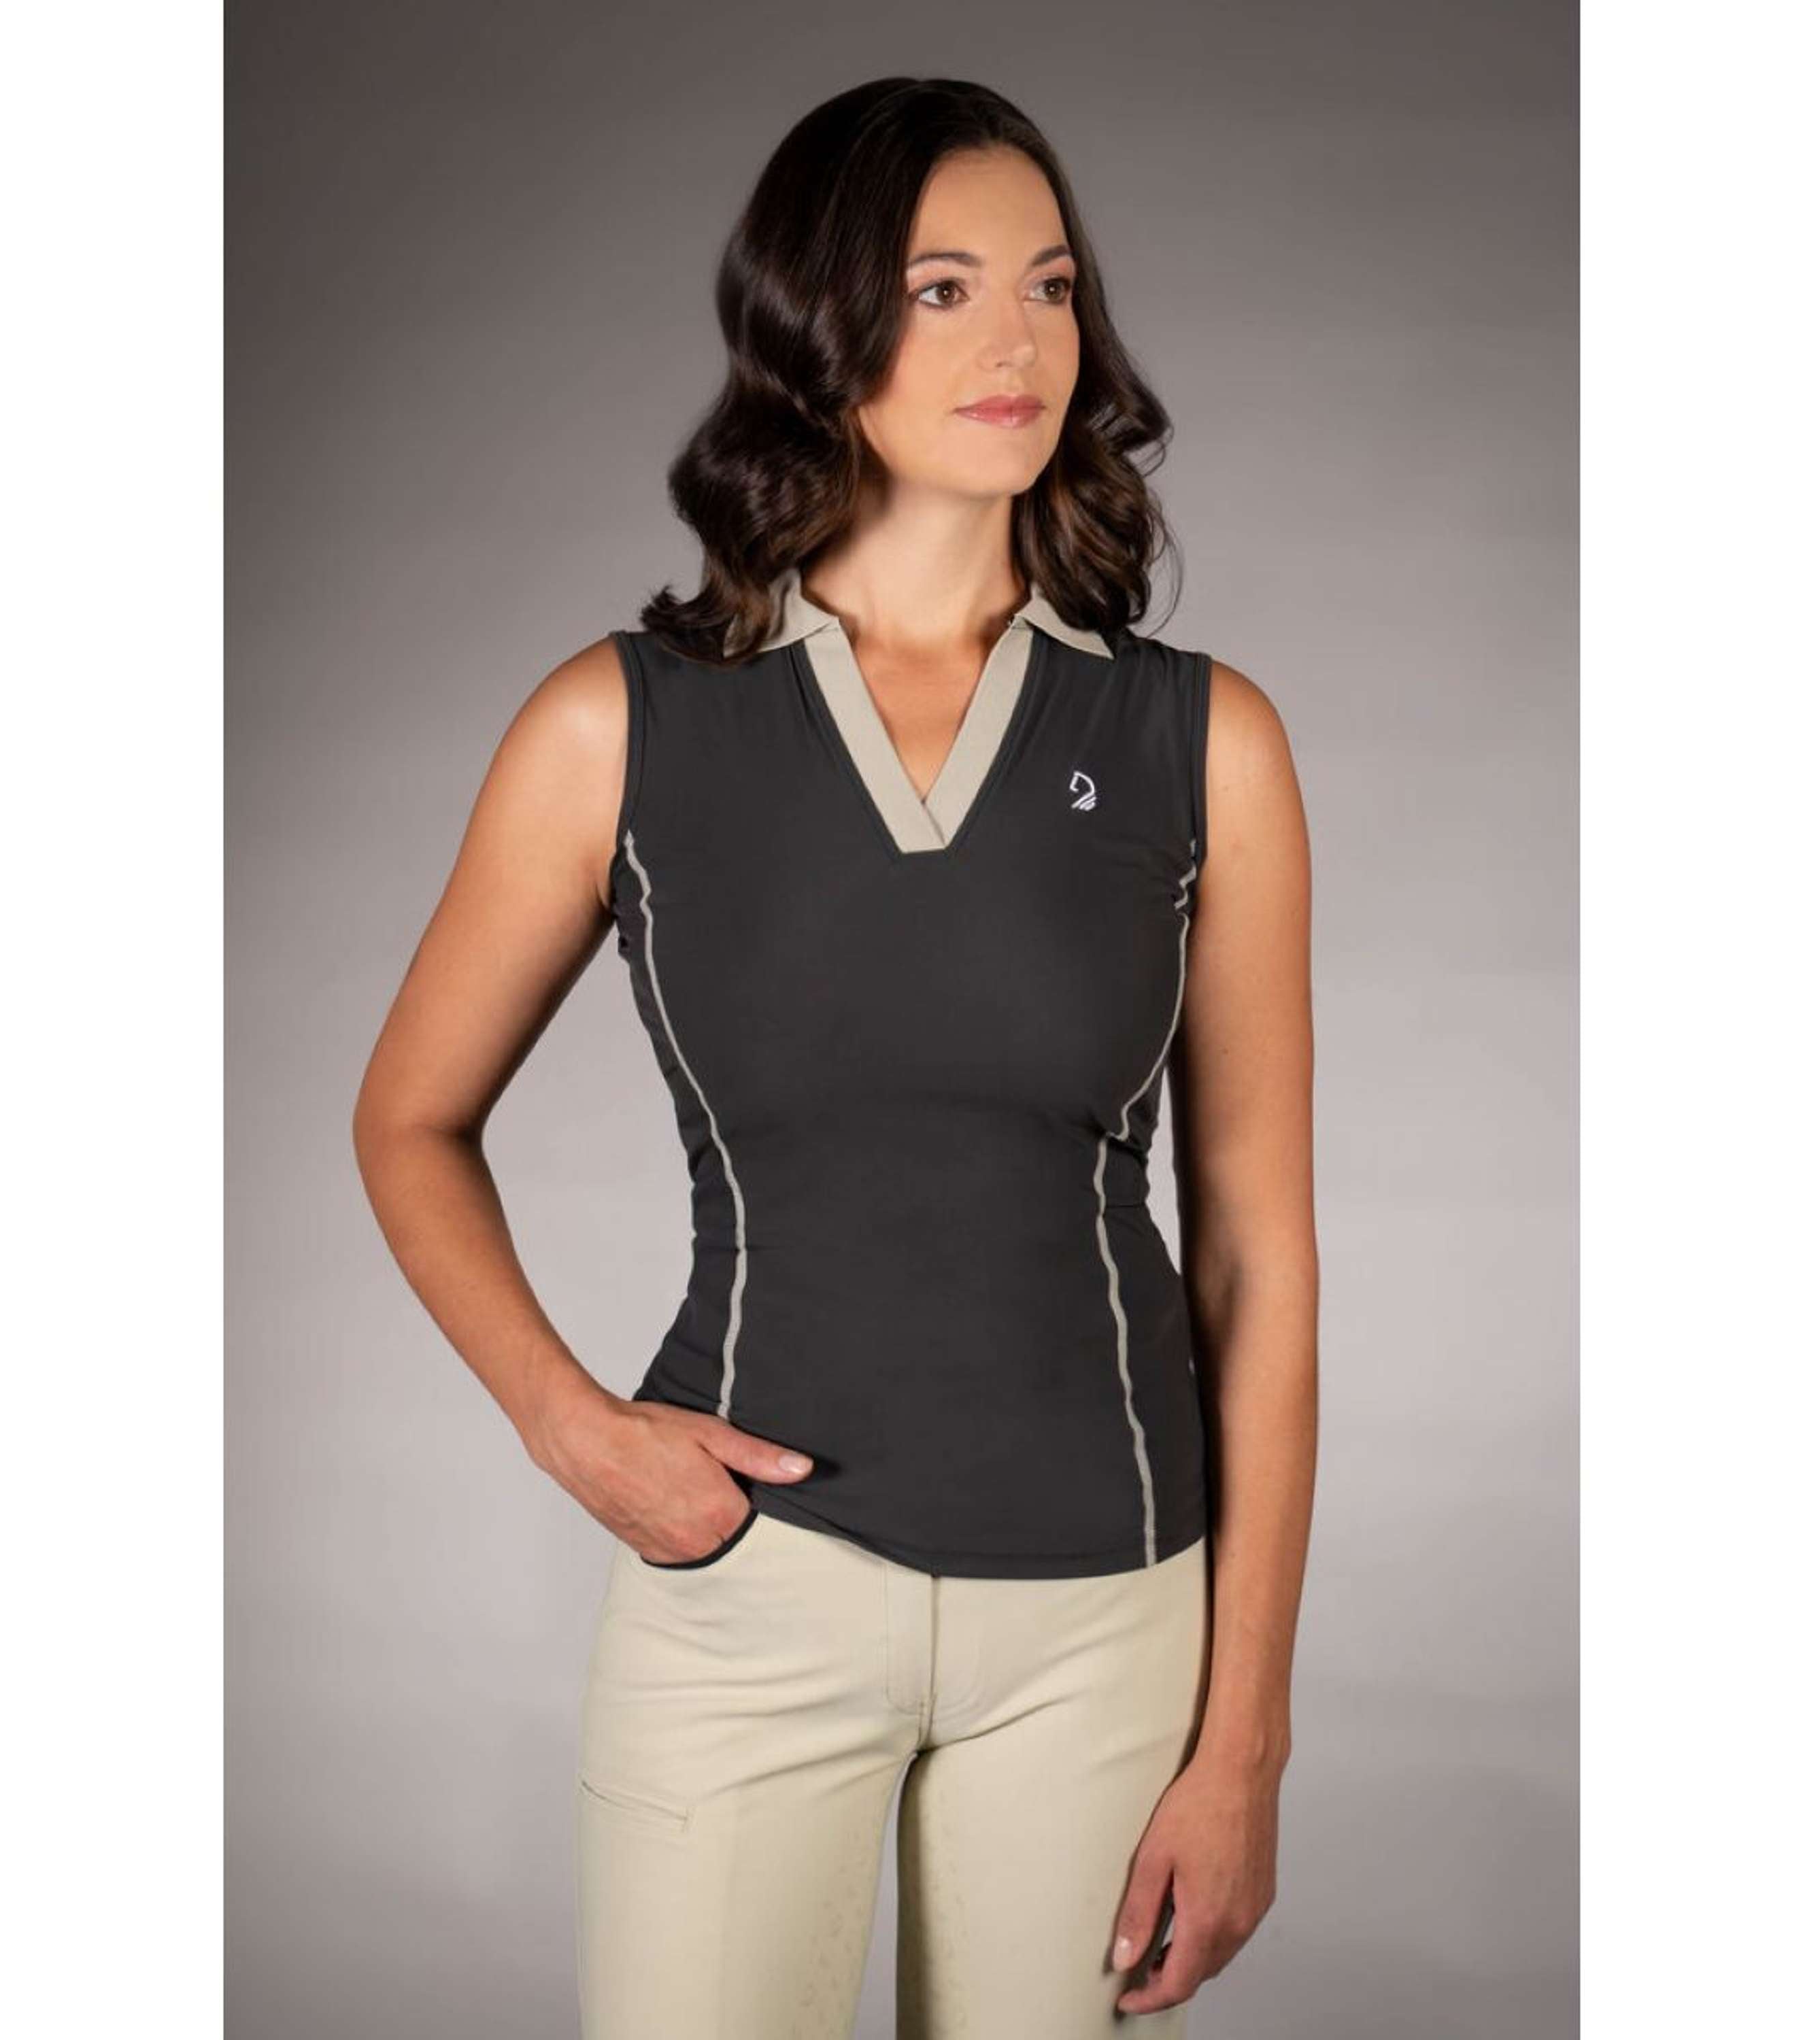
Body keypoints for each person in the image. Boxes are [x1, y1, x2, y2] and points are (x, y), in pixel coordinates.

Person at [352, 75, 1317, 2039]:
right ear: (819, 326)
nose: (1016, 341)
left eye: (1050, 286)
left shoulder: (1204, 743)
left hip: (1104, 1622)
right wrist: (572, 1427)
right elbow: (409, 1121)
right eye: (943, 289)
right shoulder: (619, 727)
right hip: (747, 1603)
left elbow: (1258, 1257)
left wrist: (1246, 1745)